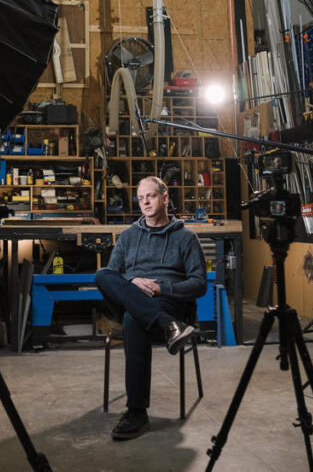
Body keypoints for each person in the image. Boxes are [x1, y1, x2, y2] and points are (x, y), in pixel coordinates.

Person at [94, 176, 207, 440]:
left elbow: (199, 283)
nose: (144, 201)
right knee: (102, 275)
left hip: (168, 301)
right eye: (140, 197)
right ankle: (168, 326)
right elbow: (113, 274)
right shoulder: (129, 236)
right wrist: (132, 281)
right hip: (135, 300)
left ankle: (136, 412)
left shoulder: (186, 237)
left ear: (165, 198)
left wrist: (160, 288)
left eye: (151, 196)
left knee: (134, 321)